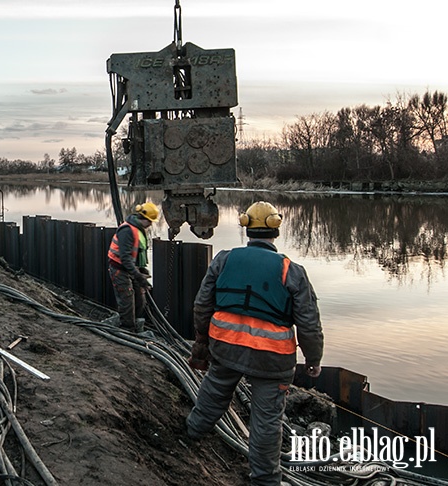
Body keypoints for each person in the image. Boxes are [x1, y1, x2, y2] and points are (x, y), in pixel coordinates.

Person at [186, 201, 324, 486]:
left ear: (246, 227)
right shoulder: (291, 270)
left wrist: (202, 338)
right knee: (266, 421)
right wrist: (313, 360)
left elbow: (202, 304)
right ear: (276, 229)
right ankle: (264, 480)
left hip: (225, 346)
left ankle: (192, 433)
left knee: (214, 393)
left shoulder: (224, 259)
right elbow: (309, 324)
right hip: (272, 359)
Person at [107, 201, 159, 331]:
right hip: (119, 269)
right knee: (127, 300)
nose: (151, 224)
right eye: (150, 221)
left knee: (140, 299)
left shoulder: (139, 230)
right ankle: (127, 329)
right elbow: (125, 258)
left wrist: (141, 269)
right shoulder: (127, 230)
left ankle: (135, 323)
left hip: (131, 269)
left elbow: (137, 253)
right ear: (144, 218)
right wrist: (139, 276)